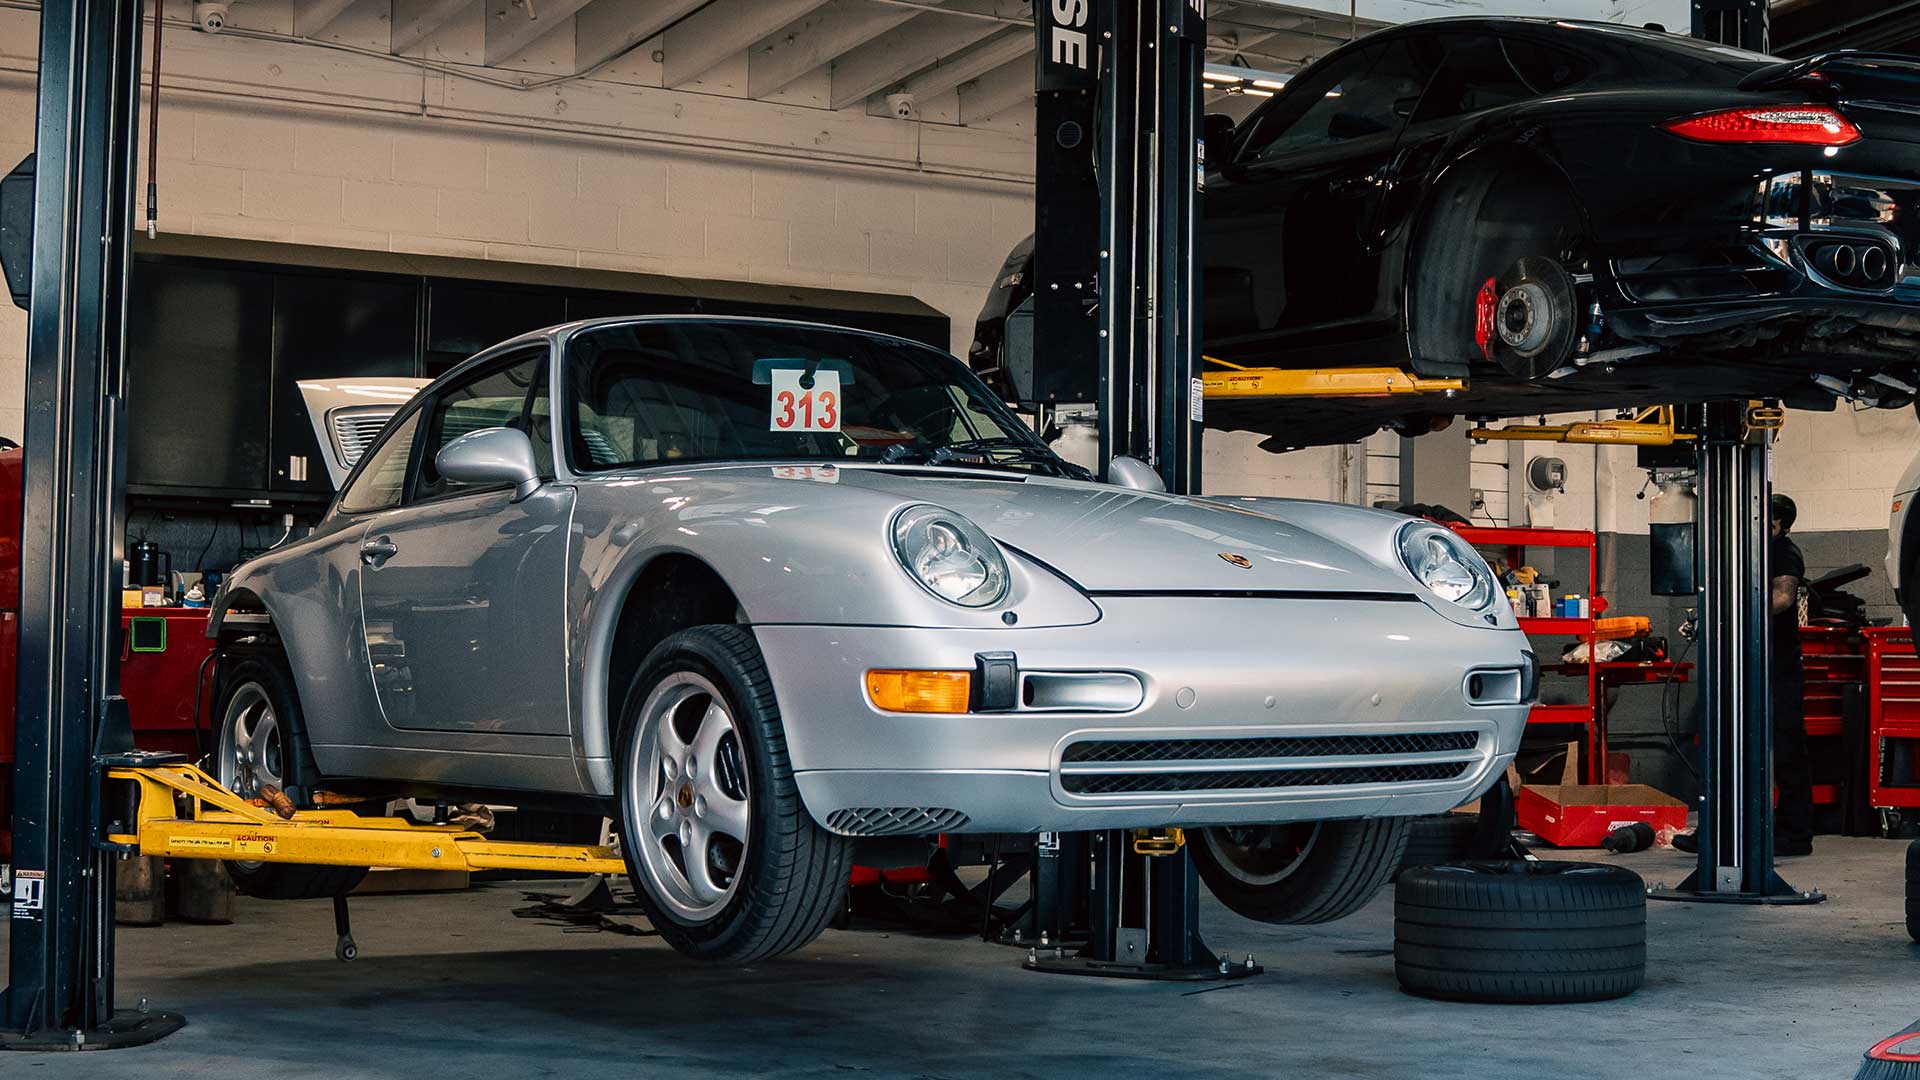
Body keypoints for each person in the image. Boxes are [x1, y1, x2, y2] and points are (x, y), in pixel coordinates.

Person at [1673, 492, 1813, 857]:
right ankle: (1719, 831)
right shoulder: (1747, 552)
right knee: (1729, 745)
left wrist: (1736, 615)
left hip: (1777, 668)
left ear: (1776, 522)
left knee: (1786, 751)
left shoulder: (1783, 551)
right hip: (1743, 664)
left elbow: (1782, 598)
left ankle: (1796, 836)